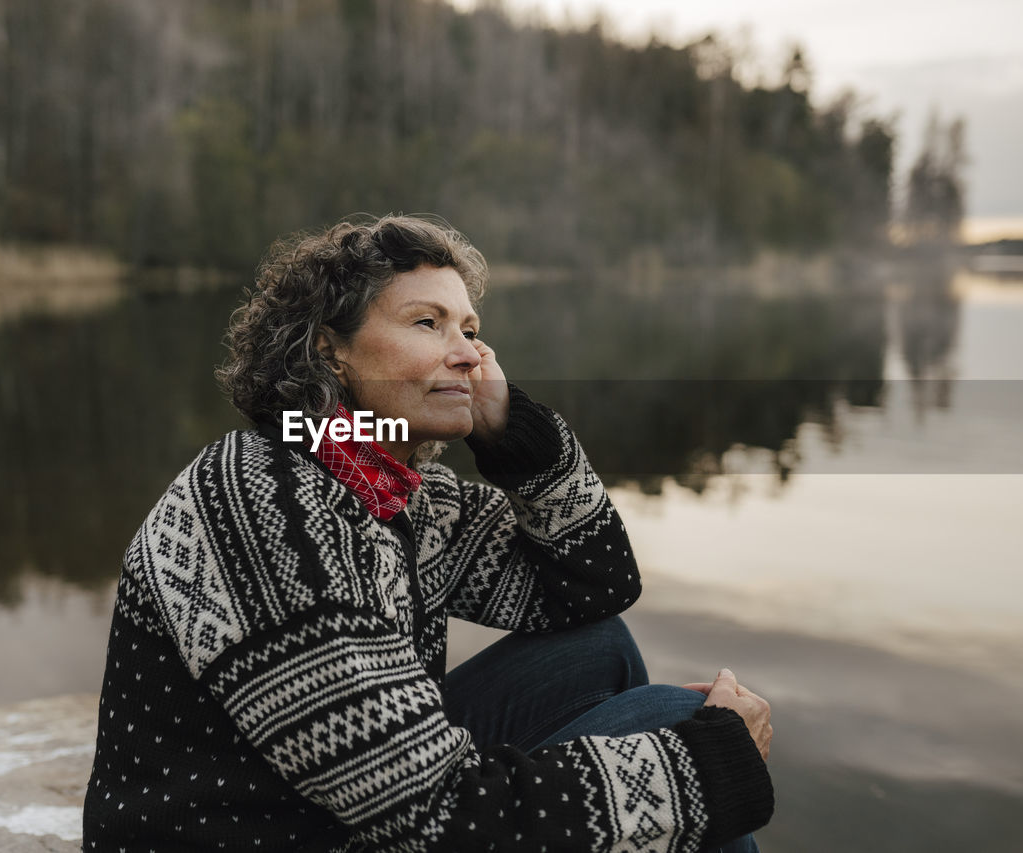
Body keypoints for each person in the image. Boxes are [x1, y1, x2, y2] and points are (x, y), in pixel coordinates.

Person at [82, 214, 774, 852]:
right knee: (685, 751)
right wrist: (702, 766)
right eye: (428, 323)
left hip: (325, 801)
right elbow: (432, 816)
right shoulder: (266, 504)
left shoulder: (388, 483)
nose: (470, 353)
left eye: (469, 329)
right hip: (267, 836)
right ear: (331, 349)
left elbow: (594, 586)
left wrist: (516, 440)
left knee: (597, 648)